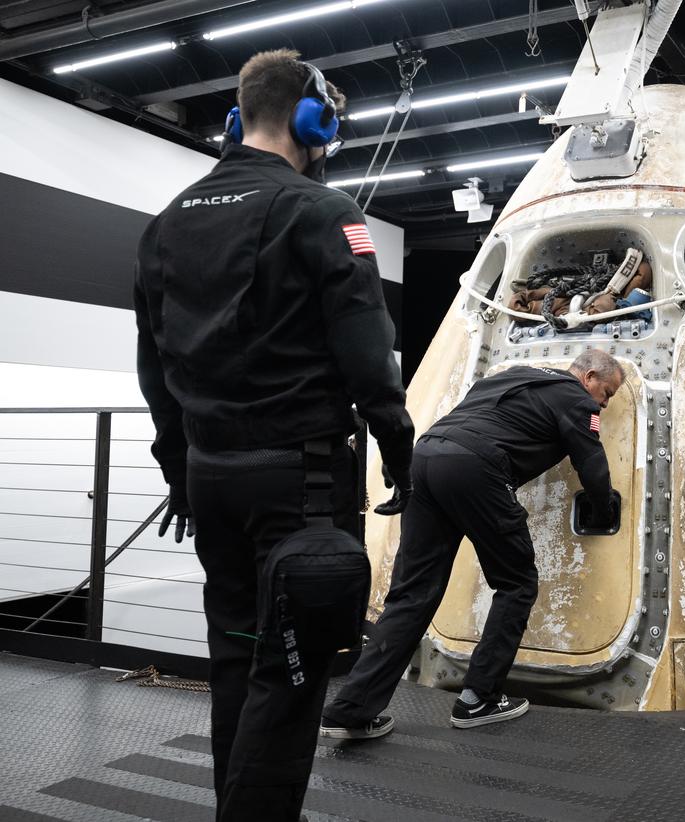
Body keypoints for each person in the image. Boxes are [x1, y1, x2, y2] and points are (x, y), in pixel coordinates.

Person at [133, 48, 414, 822]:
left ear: (236, 118)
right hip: (301, 486)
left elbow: (155, 377)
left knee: (237, 661)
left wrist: (179, 474)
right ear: (311, 119)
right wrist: (397, 449)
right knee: (290, 682)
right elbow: (367, 356)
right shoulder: (324, 212)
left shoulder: (162, 227)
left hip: (212, 484)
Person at [320, 349, 623, 736]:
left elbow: (466, 418)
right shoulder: (578, 400)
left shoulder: (511, 374)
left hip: (424, 460)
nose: (605, 402)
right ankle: (478, 699)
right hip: (477, 469)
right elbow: (591, 461)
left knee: (410, 594)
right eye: (607, 392)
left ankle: (350, 710)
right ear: (590, 375)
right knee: (516, 583)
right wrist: (603, 508)